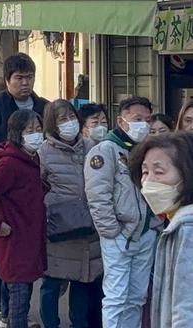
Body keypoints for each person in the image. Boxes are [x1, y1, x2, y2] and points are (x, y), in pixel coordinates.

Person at [85, 96, 162, 328]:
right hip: (119, 235)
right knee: (117, 297)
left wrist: (154, 226)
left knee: (137, 297)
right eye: (137, 119)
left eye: (147, 120)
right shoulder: (105, 151)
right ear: (121, 120)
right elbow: (98, 196)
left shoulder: (147, 150)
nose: (144, 125)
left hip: (146, 232)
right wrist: (112, 233)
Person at [0, 109, 46, 328]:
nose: (36, 134)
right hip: (15, 238)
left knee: (17, 288)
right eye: (30, 130)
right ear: (17, 133)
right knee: (19, 297)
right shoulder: (10, 163)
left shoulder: (31, 158)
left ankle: (7, 321)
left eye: (39, 129)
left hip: (29, 235)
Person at [37, 100, 103, 328]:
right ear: (52, 125)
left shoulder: (92, 146)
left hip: (88, 228)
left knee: (83, 280)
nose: (69, 123)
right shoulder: (43, 152)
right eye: (61, 120)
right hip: (58, 228)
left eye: (71, 117)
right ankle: (51, 324)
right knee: (52, 283)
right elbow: (37, 188)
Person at [128, 132, 193, 327]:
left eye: (160, 172)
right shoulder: (176, 221)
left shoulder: (187, 227)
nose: (148, 182)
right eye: (145, 172)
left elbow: (186, 305)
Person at [0, 53, 49, 177]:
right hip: (2, 177)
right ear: (7, 80)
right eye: (19, 78)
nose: (25, 83)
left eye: (29, 77)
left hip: (39, 177)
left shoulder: (45, 107)